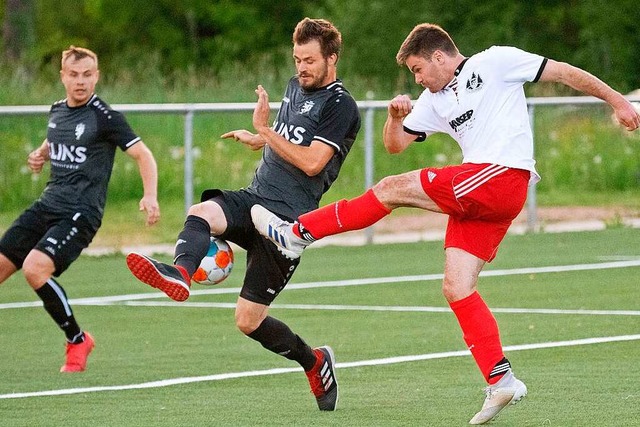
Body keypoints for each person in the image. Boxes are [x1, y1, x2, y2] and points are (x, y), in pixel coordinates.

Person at [251, 23, 640, 424]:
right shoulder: (433, 99)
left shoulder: (495, 62)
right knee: (456, 286)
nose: (417, 79)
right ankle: (501, 379)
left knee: (390, 188)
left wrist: (617, 101)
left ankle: (298, 233)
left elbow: (563, 72)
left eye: (419, 69)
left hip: (500, 176)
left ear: (440, 56)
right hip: (485, 199)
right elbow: (395, 145)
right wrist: (394, 117)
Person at [125, 18, 360, 411]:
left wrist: (264, 130)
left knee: (248, 321)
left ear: (332, 58)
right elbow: (289, 137)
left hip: (285, 224)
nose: (301, 67)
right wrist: (259, 139)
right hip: (254, 199)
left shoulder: (341, 106)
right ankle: (180, 273)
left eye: (310, 60)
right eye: (297, 58)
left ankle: (314, 360)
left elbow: (313, 163)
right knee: (201, 212)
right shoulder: (294, 86)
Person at [0, 46, 161, 373]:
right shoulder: (57, 110)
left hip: (80, 213)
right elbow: (54, 139)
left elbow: (143, 155)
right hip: (47, 204)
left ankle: (77, 340)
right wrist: (40, 154)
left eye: (87, 75)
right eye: (74, 75)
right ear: (63, 77)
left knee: (34, 269)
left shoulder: (106, 117)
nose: (81, 81)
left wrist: (151, 195)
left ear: (97, 76)